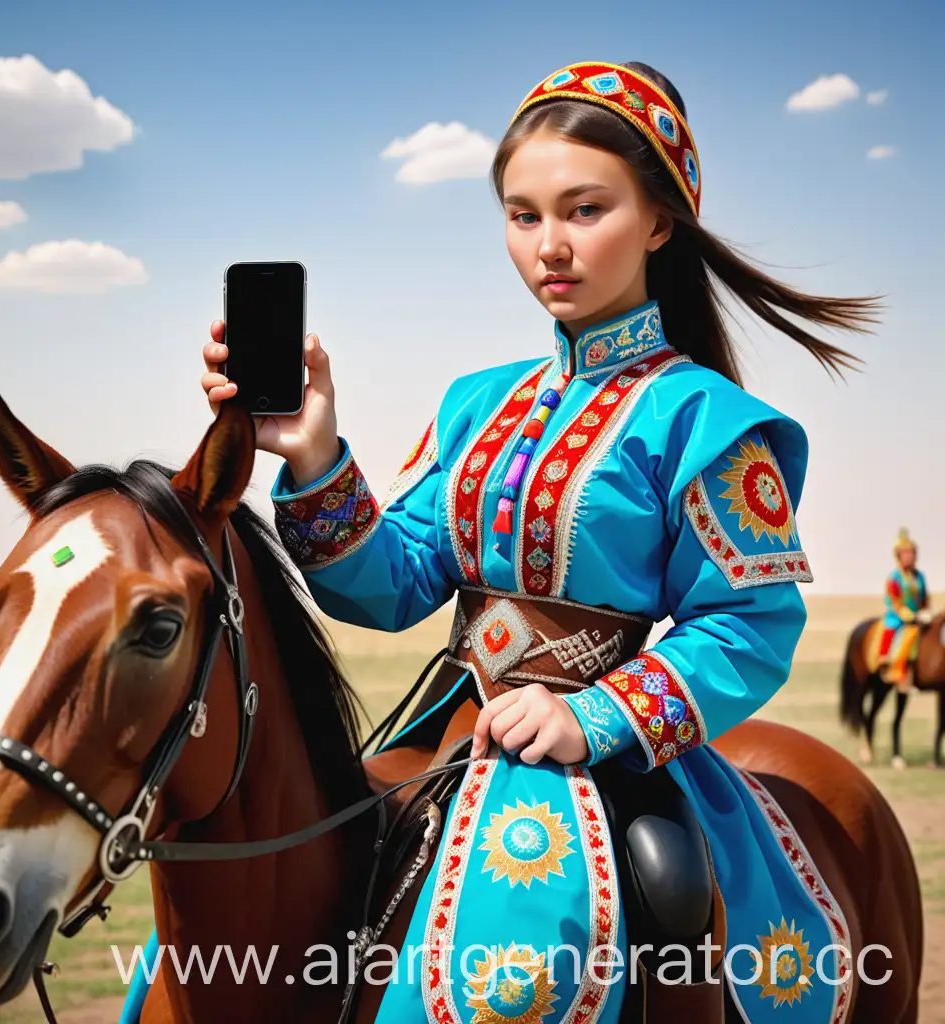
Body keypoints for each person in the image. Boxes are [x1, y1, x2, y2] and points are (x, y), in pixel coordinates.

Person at [122, 60, 877, 1024]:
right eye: (523, 216)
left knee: (669, 895)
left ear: (659, 221)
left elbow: (752, 623)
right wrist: (313, 454)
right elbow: (390, 589)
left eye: (584, 209)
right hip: (451, 727)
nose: (550, 247)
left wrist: (594, 718)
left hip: (613, 750)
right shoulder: (478, 405)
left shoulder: (711, 421)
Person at [873, 528, 931, 692]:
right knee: (891, 628)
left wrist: (925, 611)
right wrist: (907, 615)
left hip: (918, 616)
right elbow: (894, 600)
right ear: (898, 556)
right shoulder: (895, 577)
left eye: (911, 553)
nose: (909, 556)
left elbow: (925, 597)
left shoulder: (919, 577)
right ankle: (884, 659)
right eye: (905, 553)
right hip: (898, 616)